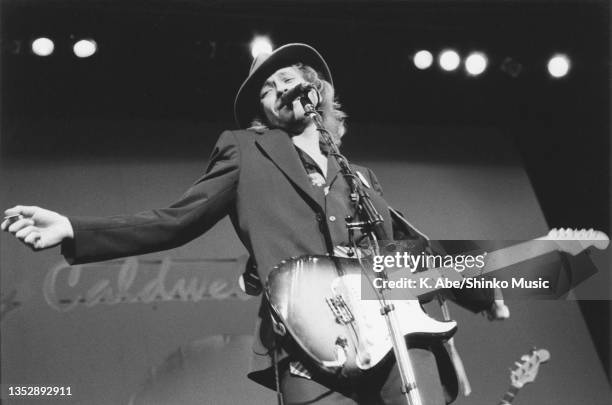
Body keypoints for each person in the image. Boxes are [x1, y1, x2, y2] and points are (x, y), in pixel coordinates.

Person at [2, 43, 507, 404]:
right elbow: (178, 220)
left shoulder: (361, 177)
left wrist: (483, 294)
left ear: (317, 91)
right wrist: (73, 228)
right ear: (261, 112)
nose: (277, 88)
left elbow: (405, 251)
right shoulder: (245, 151)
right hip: (310, 350)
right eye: (266, 88)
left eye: (287, 77)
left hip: (390, 338)